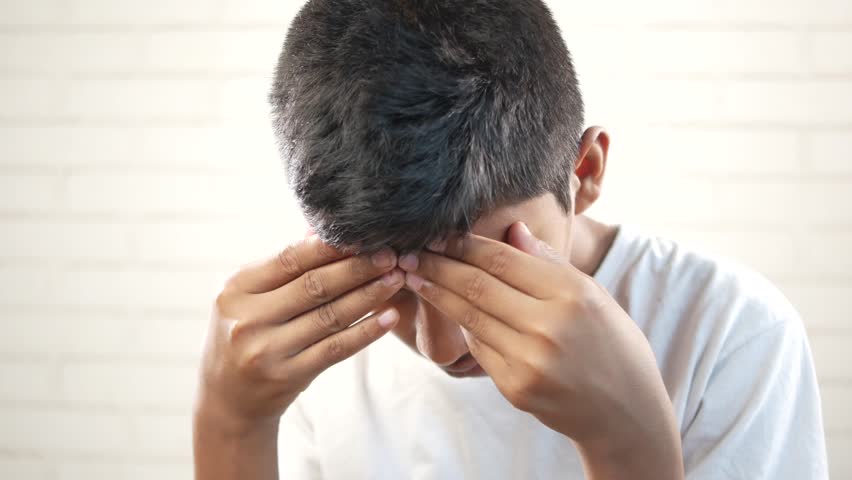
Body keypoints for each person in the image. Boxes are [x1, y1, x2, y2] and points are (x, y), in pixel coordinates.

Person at [192, 0, 829, 478]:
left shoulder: (729, 334)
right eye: (399, 281)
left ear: (583, 174)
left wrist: (629, 446)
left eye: (482, 265)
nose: (441, 348)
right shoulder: (314, 358)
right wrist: (232, 427)